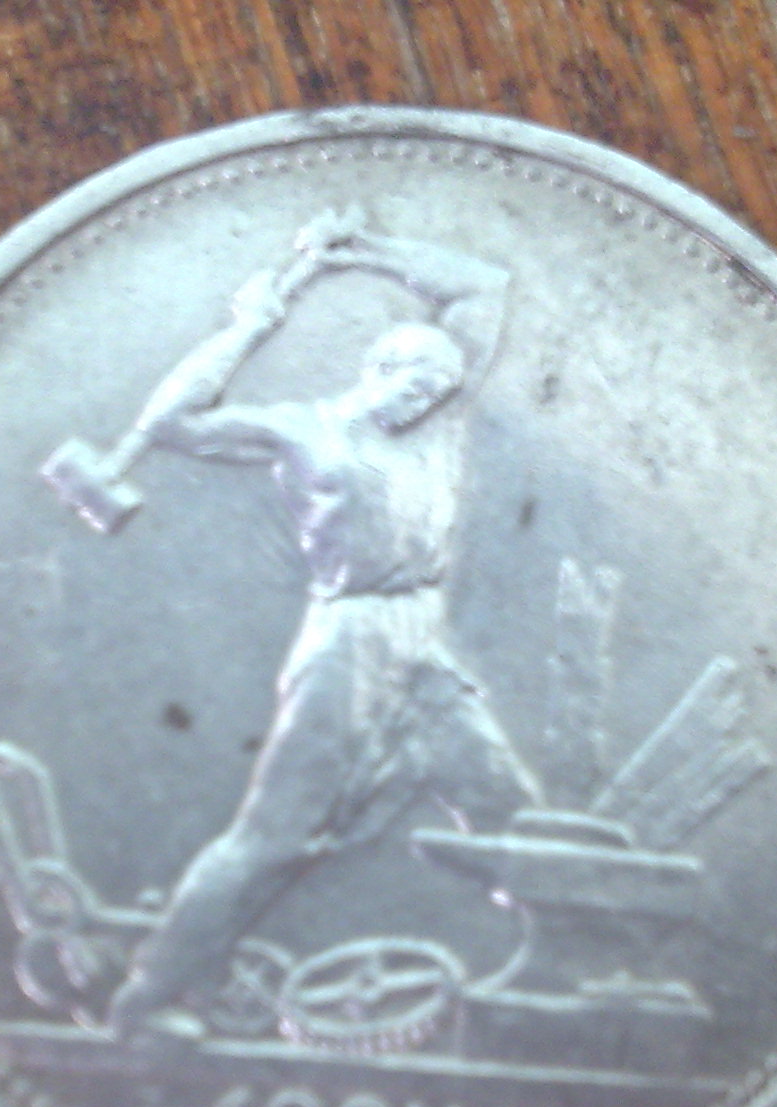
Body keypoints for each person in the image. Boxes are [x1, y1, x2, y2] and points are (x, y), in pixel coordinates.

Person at [106, 213, 540, 1038]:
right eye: (415, 386)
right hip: (349, 642)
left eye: (440, 391)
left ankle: (563, 985)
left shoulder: (439, 418)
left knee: (505, 805)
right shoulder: (301, 430)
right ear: (379, 367)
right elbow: (168, 423)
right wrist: (246, 328)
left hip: (422, 643)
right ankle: (151, 993)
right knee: (276, 834)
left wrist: (365, 250)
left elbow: (486, 286)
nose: (428, 401)